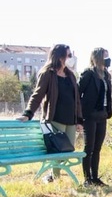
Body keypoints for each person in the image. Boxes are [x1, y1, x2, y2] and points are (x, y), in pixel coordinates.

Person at [17, 44, 82, 183]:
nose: (71, 58)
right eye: (68, 55)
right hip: (55, 118)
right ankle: (55, 178)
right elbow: (37, 94)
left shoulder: (70, 75)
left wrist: (79, 120)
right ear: (59, 57)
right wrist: (28, 113)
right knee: (58, 150)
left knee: (67, 150)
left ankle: (52, 175)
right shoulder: (47, 73)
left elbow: (76, 99)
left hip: (70, 119)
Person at [78, 48, 112, 187]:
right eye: (105, 56)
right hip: (90, 115)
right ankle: (87, 179)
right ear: (98, 57)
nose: (108, 59)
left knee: (97, 148)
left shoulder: (106, 75)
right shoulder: (88, 74)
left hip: (102, 114)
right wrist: (79, 115)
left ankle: (95, 177)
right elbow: (78, 93)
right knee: (89, 147)